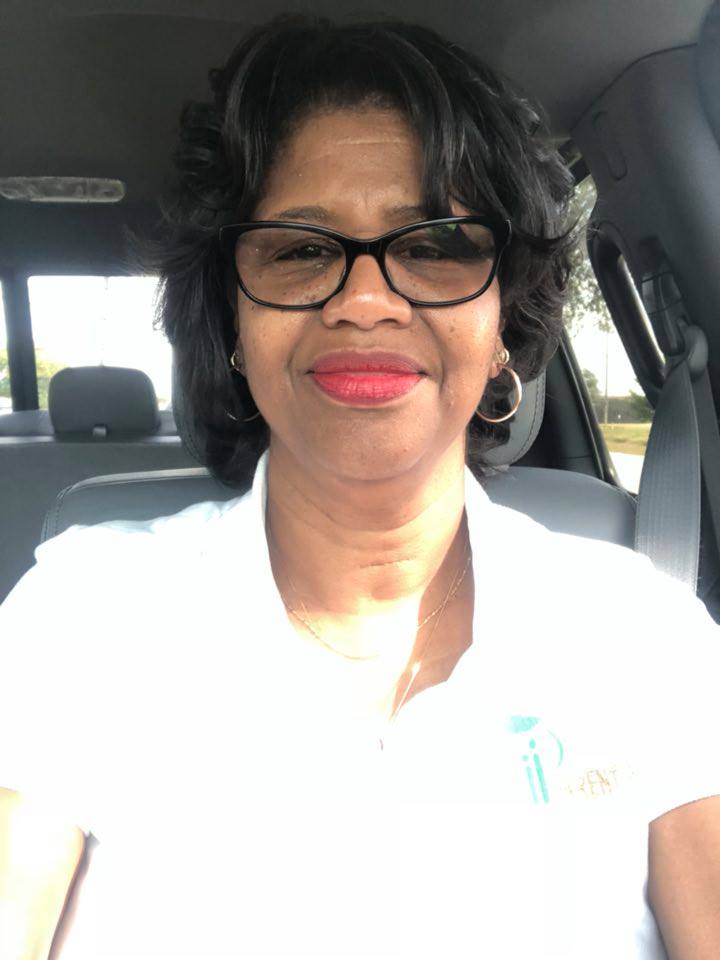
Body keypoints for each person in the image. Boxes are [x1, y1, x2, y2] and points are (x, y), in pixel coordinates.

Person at [1, 13, 720, 960]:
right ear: (230, 316)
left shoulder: (644, 636)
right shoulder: (84, 610)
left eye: (437, 244)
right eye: (300, 251)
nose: (366, 299)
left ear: (505, 318)